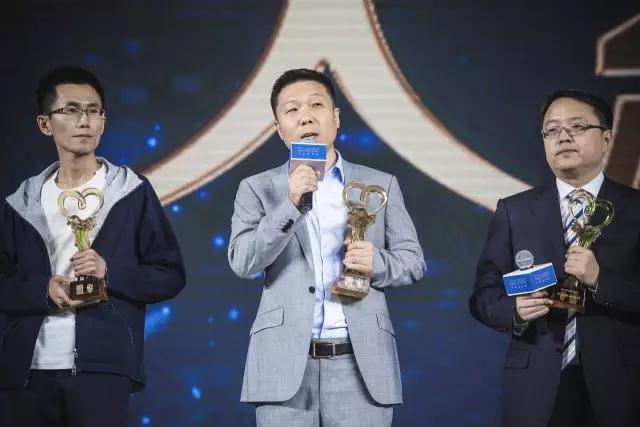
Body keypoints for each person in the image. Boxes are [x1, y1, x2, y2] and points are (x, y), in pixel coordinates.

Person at [228, 68, 425, 426]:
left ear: (336, 117)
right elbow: (243, 261)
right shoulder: (257, 188)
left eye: (316, 105)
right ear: (279, 128)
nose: (305, 116)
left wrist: (376, 262)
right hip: (284, 366)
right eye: (292, 110)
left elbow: (413, 261)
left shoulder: (380, 184)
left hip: (361, 366)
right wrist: (290, 203)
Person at [0, 66, 186, 427]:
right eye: (70, 110)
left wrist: (109, 274)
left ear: (103, 122)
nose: (84, 121)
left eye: (93, 111)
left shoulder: (132, 192)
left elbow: (170, 275)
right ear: (45, 123)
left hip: (102, 368)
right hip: (26, 371)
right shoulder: (20, 203)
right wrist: (44, 290)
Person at [470, 89, 640, 427]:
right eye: (552, 130)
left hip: (621, 385)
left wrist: (600, 280)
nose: (563, 137)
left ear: (606, 138)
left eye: (577, 126)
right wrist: (515, 310)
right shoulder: (515, 211)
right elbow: (483, 296)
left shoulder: (635, 208)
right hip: (536, 386)